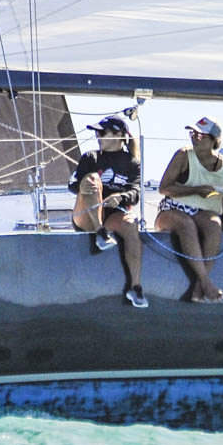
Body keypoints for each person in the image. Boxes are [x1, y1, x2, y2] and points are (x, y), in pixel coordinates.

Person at [155, 116, 223, 303]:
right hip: (172, 208)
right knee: (186, 224)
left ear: (214, 140)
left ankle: (198, 289)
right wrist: (196, 190)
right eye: (193, 133)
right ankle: (206, 283)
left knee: (214, 225)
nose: (195, 138)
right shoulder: (183, 155)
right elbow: (164, 188)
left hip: (203, 213)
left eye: (201, 135)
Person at [70, 114, 147, 308]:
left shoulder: (132, 163)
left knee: (131, 223)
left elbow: (135, 193)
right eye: (97, 133)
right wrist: (82, 185)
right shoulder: (90, 157)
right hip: (87, 216)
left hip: (114, 214)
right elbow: (72, 183)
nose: (98, 136)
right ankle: (100, 233)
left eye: (102, 132)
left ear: (119, 135)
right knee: (92, 179)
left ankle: (135, 287)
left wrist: (120, 197)